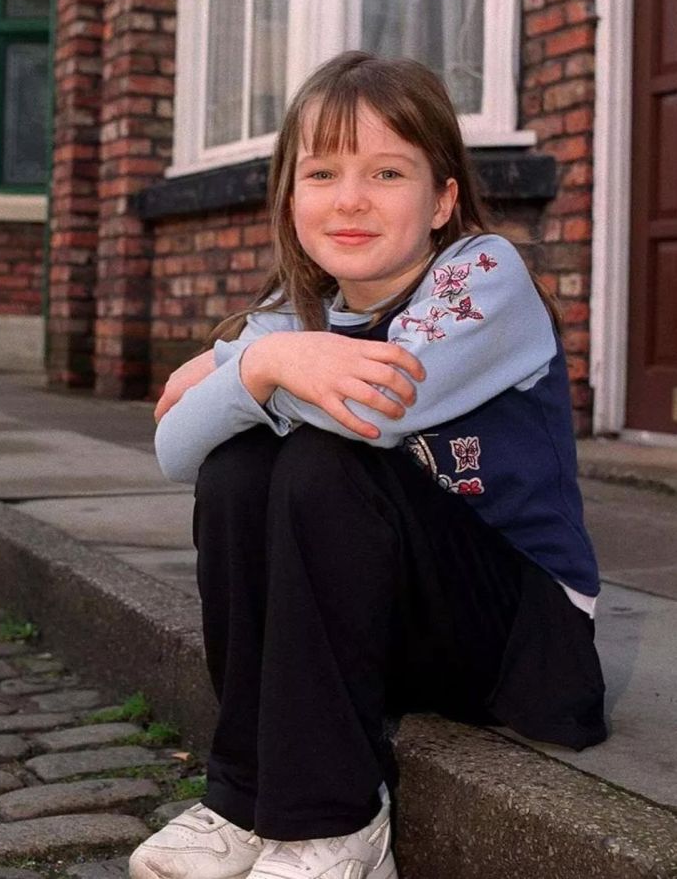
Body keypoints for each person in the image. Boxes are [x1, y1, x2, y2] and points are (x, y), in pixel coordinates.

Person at [129, 51, 606, 879]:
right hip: (392, 627)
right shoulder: (294, 316)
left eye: (387, 171)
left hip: (519, 634)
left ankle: (336, 824)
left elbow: (383, 409)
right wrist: (256, 368)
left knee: (321, 459)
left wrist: (246, 365)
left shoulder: (482, 275)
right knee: (239, 468)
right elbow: (178, 450)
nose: (350, 198)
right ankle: (243, 796)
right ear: (291, 196)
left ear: (443, 199)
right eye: (322, 172)